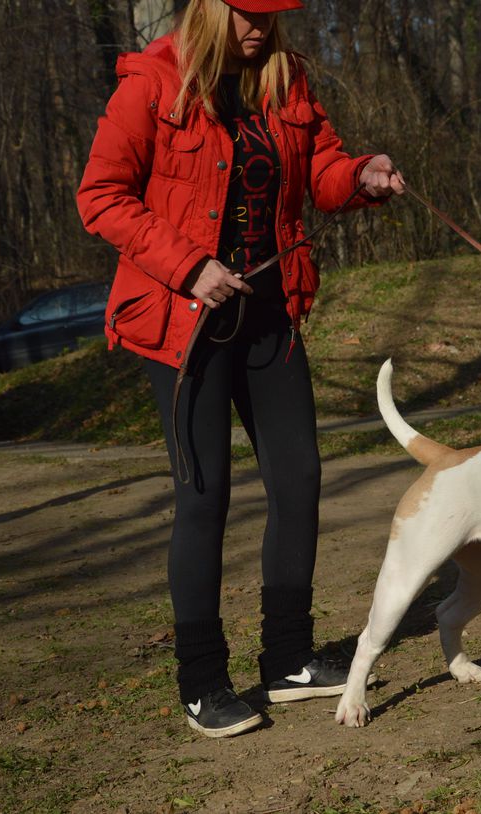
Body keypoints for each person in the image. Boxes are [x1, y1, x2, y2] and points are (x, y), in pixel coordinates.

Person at [76, 0, 404, 738]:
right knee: (206, 496)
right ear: (209, 7)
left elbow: (319, 169)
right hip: (181, 325)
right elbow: (100, 197)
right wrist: (189, 265)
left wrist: (360, 175)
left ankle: (286, 659)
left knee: (300, 479)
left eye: (271, 13)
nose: (259, 25)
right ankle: (201, 679)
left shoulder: (284, 83)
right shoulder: (151, 85)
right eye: (246, 11)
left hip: (269, 315)